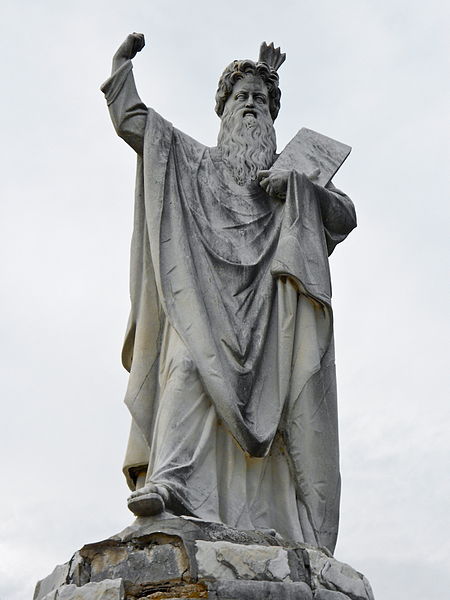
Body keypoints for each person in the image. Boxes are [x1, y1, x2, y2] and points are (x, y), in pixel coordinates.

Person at [101, 33, 356, 554]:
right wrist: (121, 74)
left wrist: (299, 191)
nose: (250, 106)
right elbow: (139, 127)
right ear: (222, 111)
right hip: (203, 305)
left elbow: (345, 215)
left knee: (281, 413)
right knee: (188, 368)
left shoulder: (288, 180)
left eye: (260, 100)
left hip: (269, 325)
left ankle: (279, 523)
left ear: (273, 116)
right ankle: (171, 484)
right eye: (240, 97)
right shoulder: (194, 164)